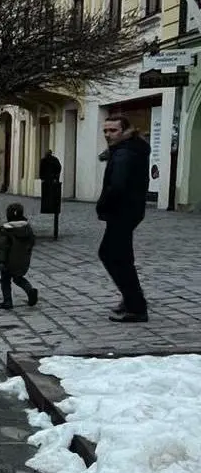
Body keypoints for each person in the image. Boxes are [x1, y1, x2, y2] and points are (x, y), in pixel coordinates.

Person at [97, 114, 150, 322]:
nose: (108, 135)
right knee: (119, 256)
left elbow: (117, 186)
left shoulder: (124, 153)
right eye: (106, 131)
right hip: (129, 210)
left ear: (125, 131)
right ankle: (131, 299)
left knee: (113, 255)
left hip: (122, 211)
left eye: (113, 130)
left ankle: (136, 306)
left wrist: (103, 204)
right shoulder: (129, 148)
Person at [0, 203, 39, 309]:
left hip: (7, 262)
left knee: (5, 280)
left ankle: (7, 301)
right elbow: (32, 242)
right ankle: (30, 291)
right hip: (22, 260)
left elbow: (2, 247)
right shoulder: (27, 229)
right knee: (18, 278)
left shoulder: (6, 231)